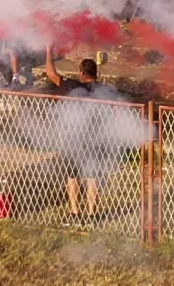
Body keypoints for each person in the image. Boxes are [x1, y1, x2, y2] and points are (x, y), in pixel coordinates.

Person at [45, 44, 107, 227]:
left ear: (81, 73)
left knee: (72, 177)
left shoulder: (72, 86)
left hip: (73, 140)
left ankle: (74, 213)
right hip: (95, 140)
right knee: (92, 178)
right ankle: (91, 217)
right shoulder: (103, 91)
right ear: (96, 74)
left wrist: (49, 50)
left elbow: (50, 72)